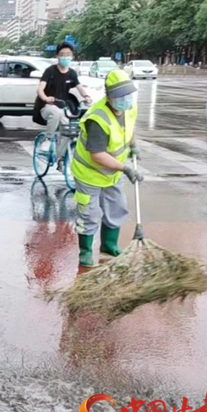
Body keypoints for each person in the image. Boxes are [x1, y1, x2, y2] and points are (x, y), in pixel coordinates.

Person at [71, 69, 144, 267]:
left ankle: (109, 245)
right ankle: (85, 252)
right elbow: (98, 155)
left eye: (128, 94)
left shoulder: (129, 107)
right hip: (90, 174)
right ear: (109, 96)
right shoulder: (97, 118)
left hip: (111, 173)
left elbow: (128, 128)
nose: (126, 99)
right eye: (120, 96)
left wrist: (133, 145)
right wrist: (126, 168)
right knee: (89, 214)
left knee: (117, 207)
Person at [36, 42, 93, 160]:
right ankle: (47, 139)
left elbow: (79, 87)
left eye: (68, 54)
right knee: (55, 113)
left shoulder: (72, 73)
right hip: (47, 107)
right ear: (57, 56)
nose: (65, 57)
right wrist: (46, 98)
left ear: (72, 56)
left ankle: (60, 158)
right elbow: (40, 89)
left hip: (63, 107)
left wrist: (86, 96)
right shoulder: (50, 71)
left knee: (70, 129)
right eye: (62, 54)